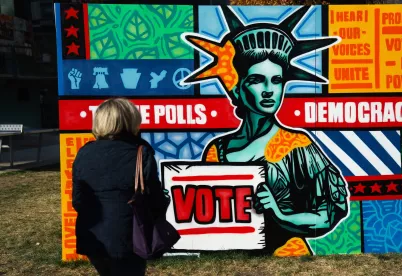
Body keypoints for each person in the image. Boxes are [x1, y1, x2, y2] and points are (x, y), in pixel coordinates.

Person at [183, 6, 350, 254]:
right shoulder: (217, 151)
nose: (269, 90)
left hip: (288, 258)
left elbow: (328, 213)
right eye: (257, 80)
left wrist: (281, 215)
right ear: (237, 90)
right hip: (232, 264)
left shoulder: (297, 145)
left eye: (277, 80)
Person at [72, 98, 170, 276]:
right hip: (131, 238)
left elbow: (78, 201)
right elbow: (154, 200)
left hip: (93, 238)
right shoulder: (141, 152)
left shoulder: (84, 152)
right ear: (131, 120)